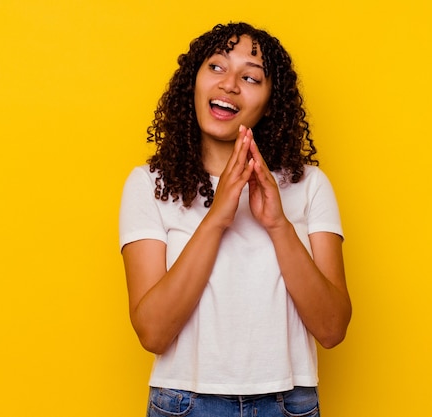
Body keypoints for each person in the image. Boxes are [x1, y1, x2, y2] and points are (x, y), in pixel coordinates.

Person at [119, 22, 351, 417]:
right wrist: (217, 218)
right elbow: (153, 333)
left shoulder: (309, 185)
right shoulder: (149, 185)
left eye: (250, 77)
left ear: (270, 101)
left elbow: (332, 329)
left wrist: (278, 224)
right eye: (216, 67)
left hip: (288, 404)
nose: (229, 84)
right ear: (192, 81)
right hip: (183, 404)